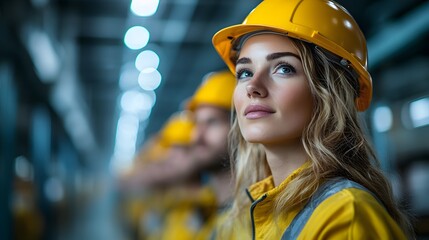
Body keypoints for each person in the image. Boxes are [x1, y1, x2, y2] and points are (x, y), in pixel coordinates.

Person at [211, 0, 414, 239]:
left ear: (329, 92)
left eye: (284, 68)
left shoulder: (346, 216)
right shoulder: (256, 214)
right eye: (245, 72)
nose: (253, 87)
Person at [186, 70, 236, 239]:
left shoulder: (255, 217)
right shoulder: (206, 212)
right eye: (196, 123)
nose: (197, 136)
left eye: (212, 122)